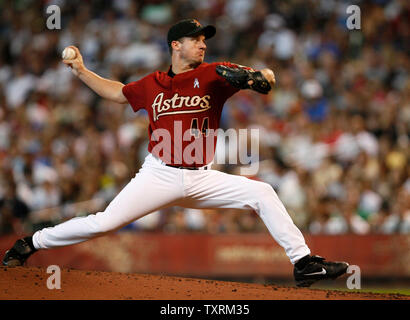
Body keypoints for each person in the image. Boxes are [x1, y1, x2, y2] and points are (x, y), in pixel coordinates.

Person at [2, 19, 348, 287]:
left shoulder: (214, 74)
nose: (202, 44)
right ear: (176, 45)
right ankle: (31, 243)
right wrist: (81, 71)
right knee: (103, 222)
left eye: (204, 40)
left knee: (262, 192)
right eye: (196, 39)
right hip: (159, 174)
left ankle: (304, 264)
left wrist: (258, 79)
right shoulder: (153, 83)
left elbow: (266, 78)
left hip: (200, 176)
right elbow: (119, 93)